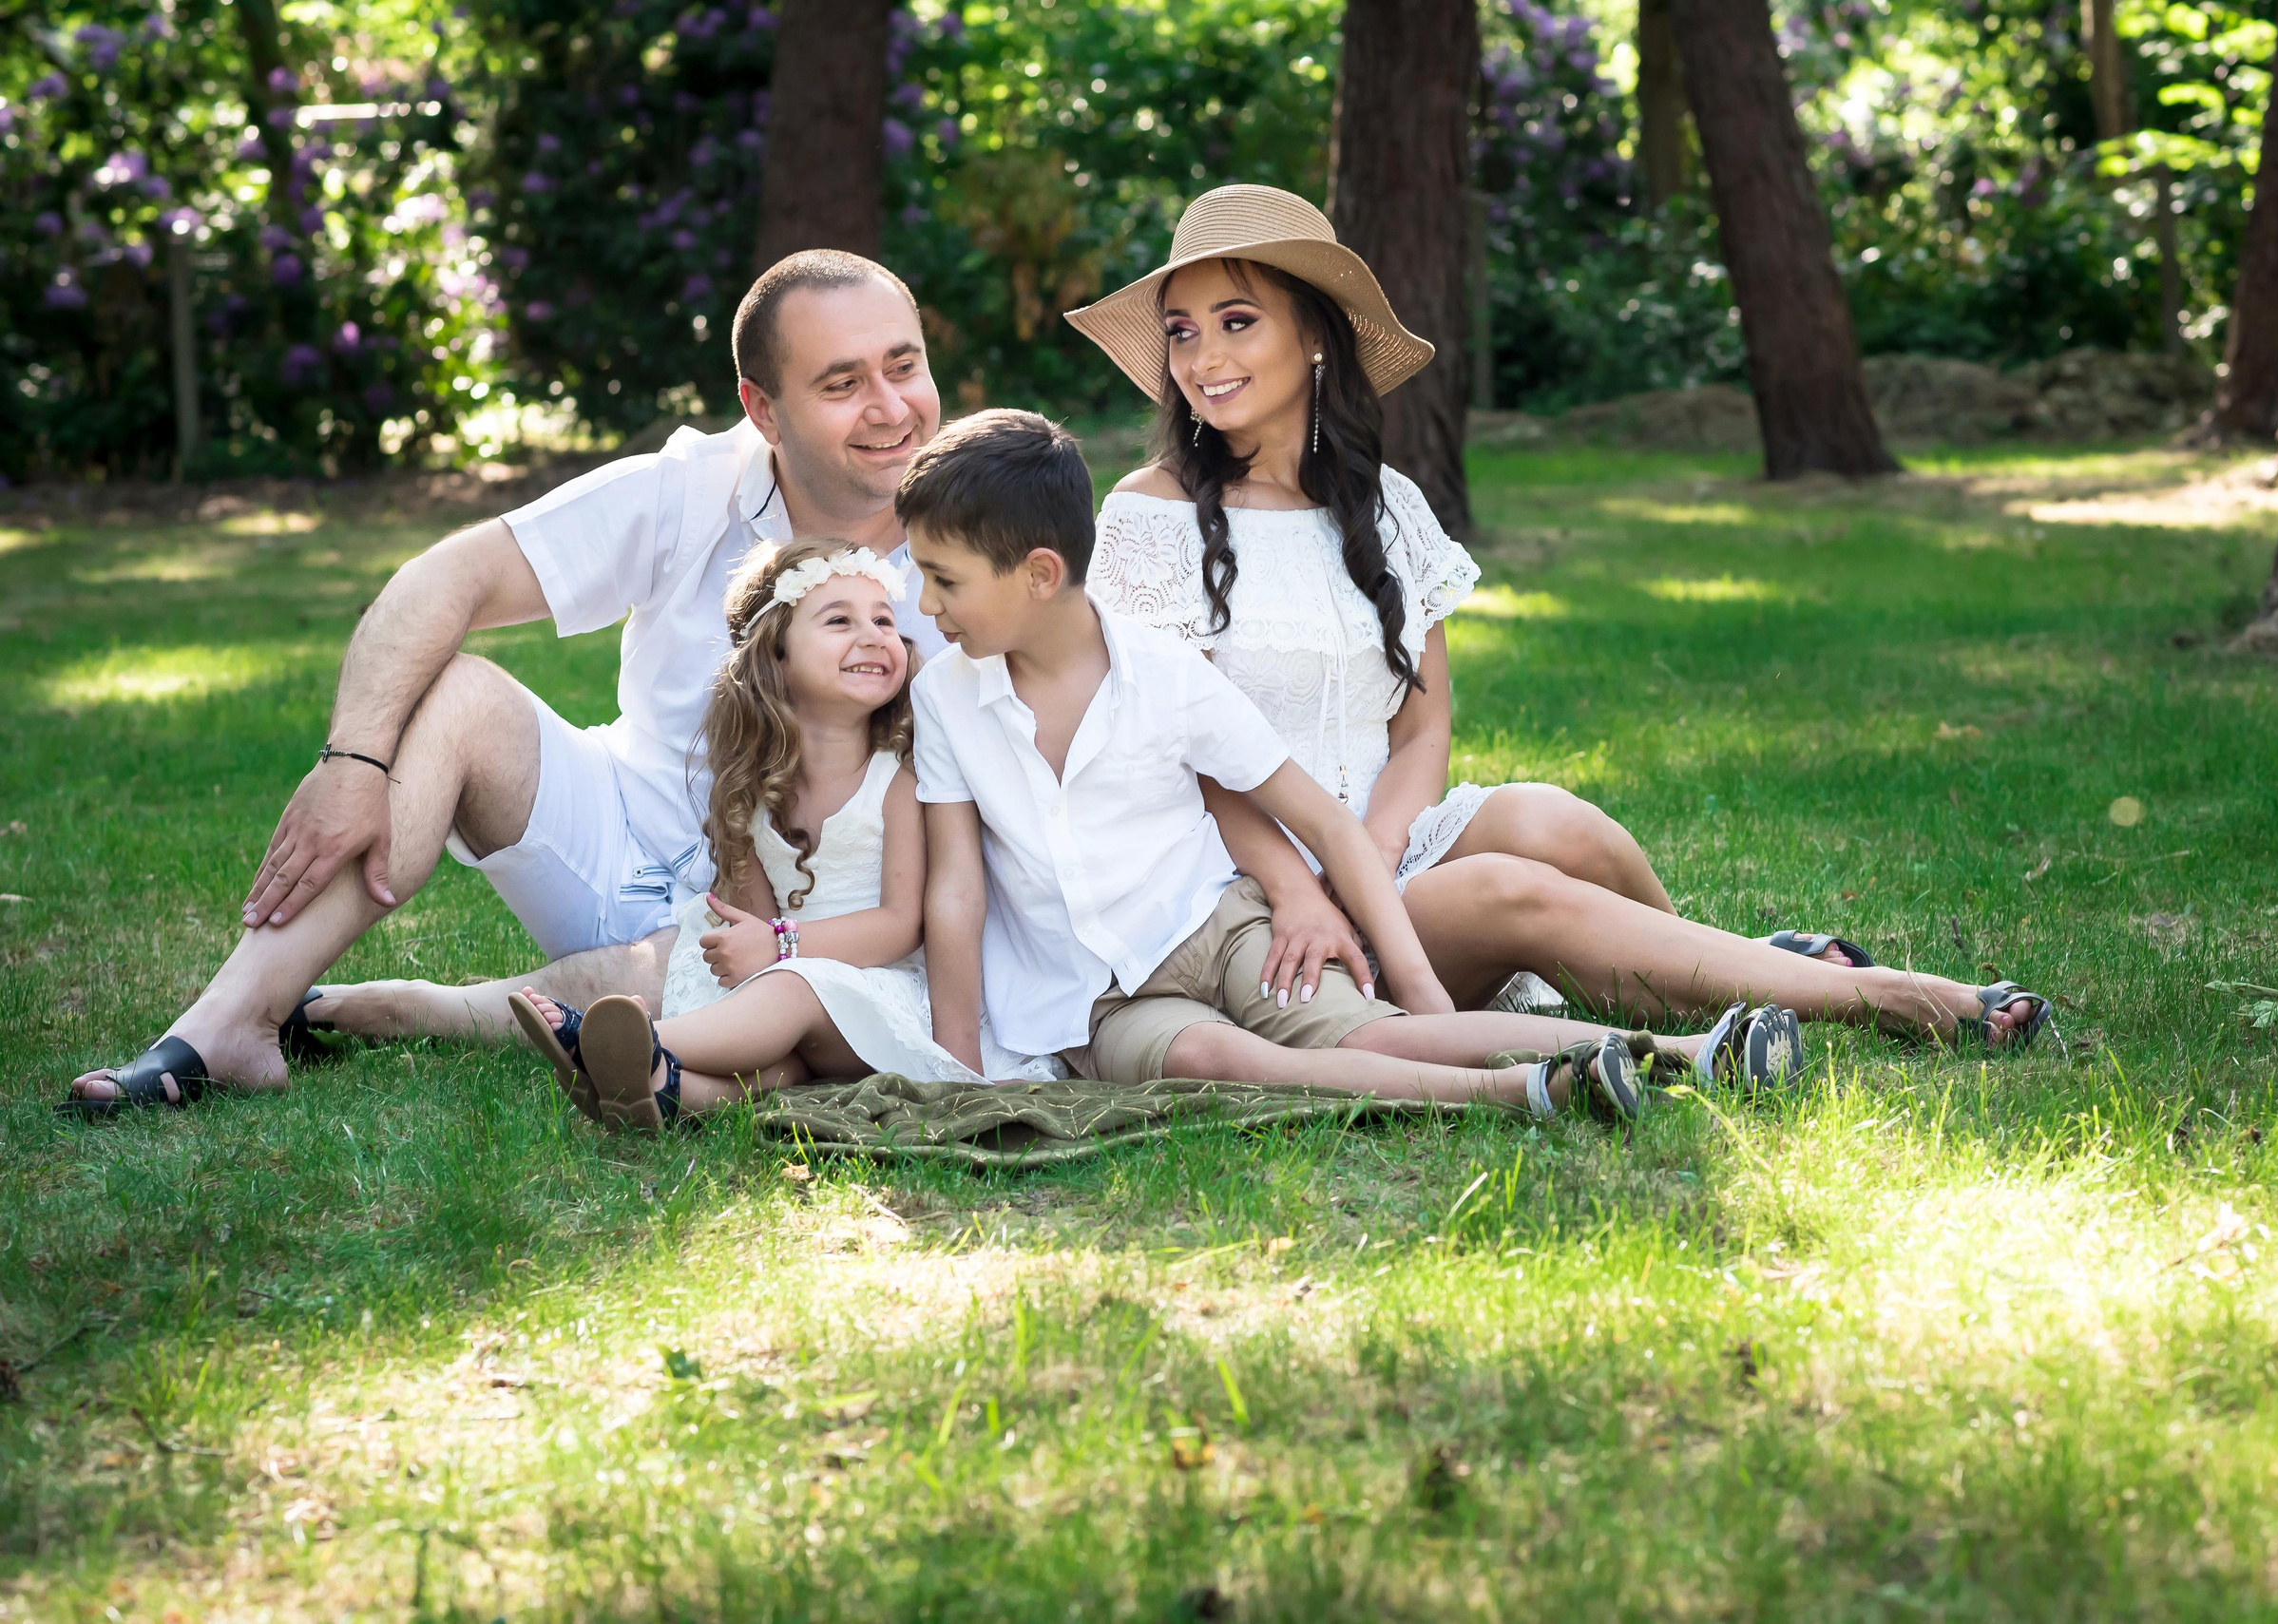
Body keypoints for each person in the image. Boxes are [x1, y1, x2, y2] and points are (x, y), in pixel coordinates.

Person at [1065, 184, 2053, 1051]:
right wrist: (1313, 886)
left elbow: (1421, 726)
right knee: (1511, 891)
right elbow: (1178, 752)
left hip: (1380, 843)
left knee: (1550, 819)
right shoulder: (1147, 515)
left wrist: (1370, 854)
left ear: (1315, 334)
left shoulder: (1387, 503)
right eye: (1183, 331)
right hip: (1248, 894)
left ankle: (1715, 967)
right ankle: (1875, 994)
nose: (1202, 356)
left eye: (1236, 321)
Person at [61, 250, 949, 1113]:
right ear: (763, 409)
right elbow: (442, 581)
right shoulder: (687, 492)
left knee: (653, 984)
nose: (889, 407)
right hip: (622, 846)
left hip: (816, 913)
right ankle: (230, 1022)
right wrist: (354, 764)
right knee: (461, 697)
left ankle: (426, 1007)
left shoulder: (975, 524)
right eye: (842, 384)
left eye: (903, 366)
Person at [906, 408, 1801, 1116]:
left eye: (944, 580)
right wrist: (956, 1070)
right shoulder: (946, 697)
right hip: (1095, 999)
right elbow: (956, 890)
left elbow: (1336, 803)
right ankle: (1529, 1087)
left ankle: (1689, 1049)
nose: (925, 603)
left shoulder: (1162, 672)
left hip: (1221, 924)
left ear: (1038, 573)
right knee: (1222, 1057)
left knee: (1366, 1033)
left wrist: (1414, 988)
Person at [510, 539, 1057, 1133]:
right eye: (840, 620)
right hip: (800, 1009)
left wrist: (780, 945)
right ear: (777, 655)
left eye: (883, 620)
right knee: (778, 1068)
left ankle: (619, 1040)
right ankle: (657, 1087)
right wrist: (753, 946)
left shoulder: (899, 780)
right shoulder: (752, 792)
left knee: (792, 990)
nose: (874, 635)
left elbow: (902, 926)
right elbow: (755, 932)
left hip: (891, 1000)